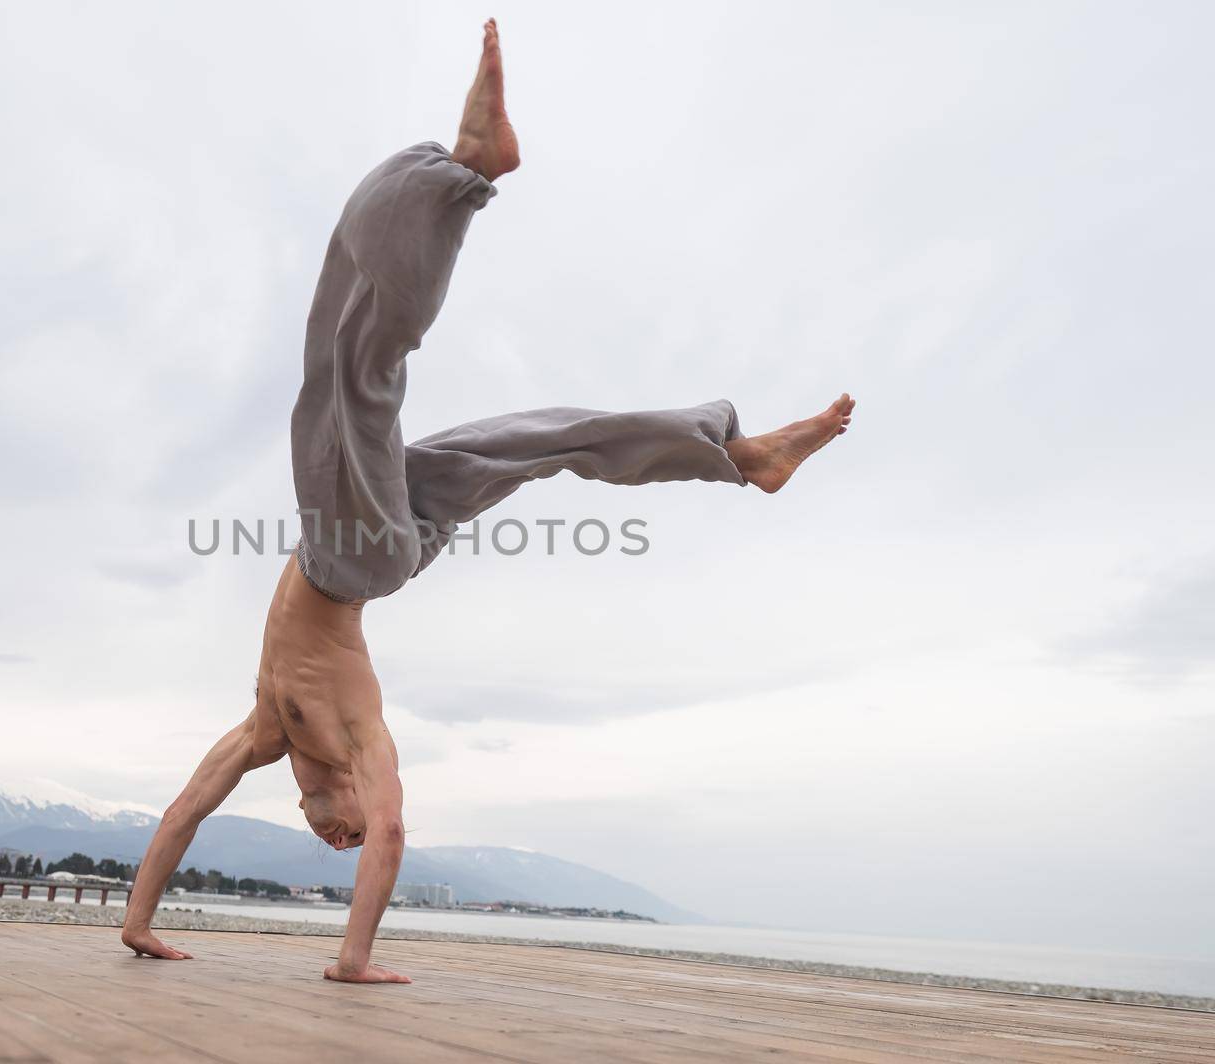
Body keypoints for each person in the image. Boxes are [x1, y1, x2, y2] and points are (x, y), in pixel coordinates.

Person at [121, 18, 855, 984]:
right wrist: (354, 957)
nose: (335, 833)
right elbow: (391, 832)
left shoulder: (266, 734)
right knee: (355, 376)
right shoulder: (350, 738)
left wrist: (138, 923)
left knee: (534, 438)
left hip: (379, 549)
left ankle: (737, 456)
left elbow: (181, 812)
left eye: (329, 833)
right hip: (362, 559)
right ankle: (466, 176)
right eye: (337, 832)